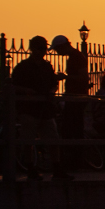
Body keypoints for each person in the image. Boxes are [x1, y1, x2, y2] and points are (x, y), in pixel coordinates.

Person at [9, 35, 70, 180]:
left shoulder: (47, 66)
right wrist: (26, 91)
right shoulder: (22, 67)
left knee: (53, 139)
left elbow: (53, 84)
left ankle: (56, 169)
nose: (42, 51)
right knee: (28, 141)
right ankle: (31, 169)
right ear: (32, 49)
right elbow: (13, 86)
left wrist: (52, 91)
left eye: (44, 48)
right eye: (40, 48)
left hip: (45, 109)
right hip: (29, 109)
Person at [52, 35, 90, 169]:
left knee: (71, 129)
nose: (57, 53)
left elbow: (83, 77)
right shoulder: (76, 57)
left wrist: (66, 76)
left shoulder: (76, 57)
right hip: (75, 97)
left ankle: (75, 160)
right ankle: (76, 160)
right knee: (73, 129)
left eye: (57, 50)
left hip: (75, 98)